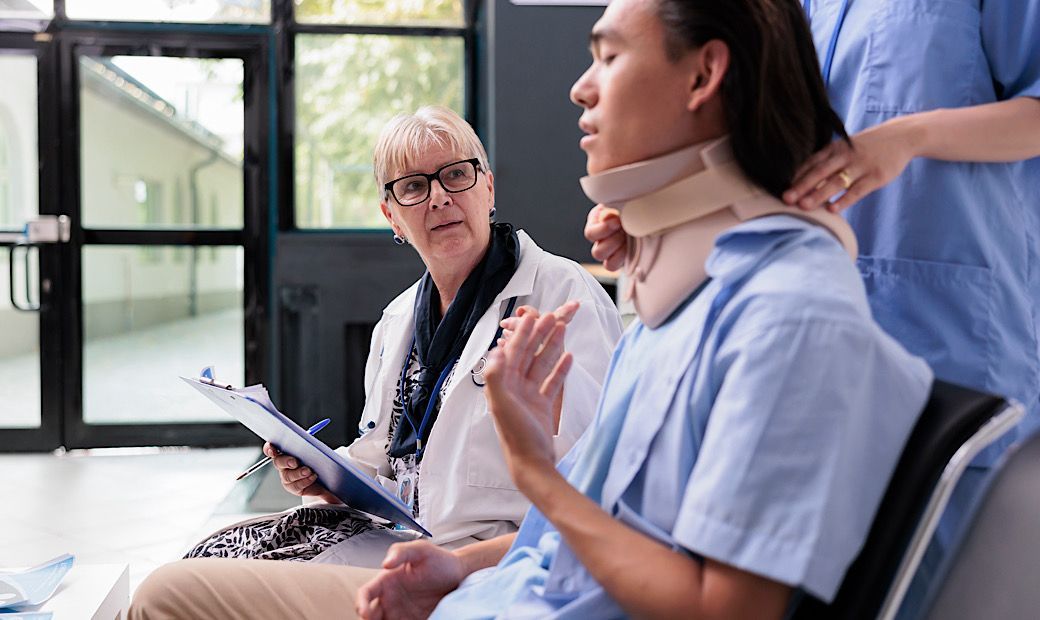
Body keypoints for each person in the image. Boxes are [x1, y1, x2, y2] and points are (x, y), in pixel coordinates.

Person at [179, 105, 622, 566]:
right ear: (392, 216)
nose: (438, 198)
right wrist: (323, 474)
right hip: (403, 542)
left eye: (455, 175)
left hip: (501, 560)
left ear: (488, 187)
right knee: (206, 558)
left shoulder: (563, 294)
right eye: (413, 186)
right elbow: (384, 461)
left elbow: (598, 473)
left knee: (194, 590)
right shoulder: (397, 321)